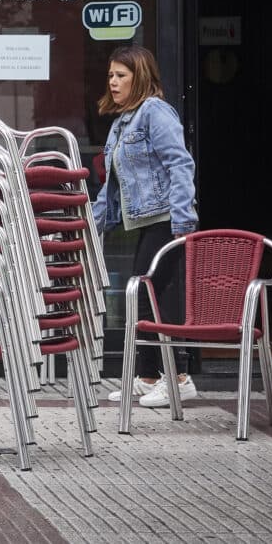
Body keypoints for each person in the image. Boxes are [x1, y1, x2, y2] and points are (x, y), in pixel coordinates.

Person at [92, 45, 200, 408]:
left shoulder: (155, 112)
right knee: (142, 296)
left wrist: (183, 219)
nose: (114, 81)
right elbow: (112, 184)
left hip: (167, 218)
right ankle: (150, 376)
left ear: (140, 76)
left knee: (158, 297)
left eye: (121, 75)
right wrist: (92, 224)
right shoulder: (122, 122)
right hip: (147, 220)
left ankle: (180, 378)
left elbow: (180, 164)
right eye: (111, 75)